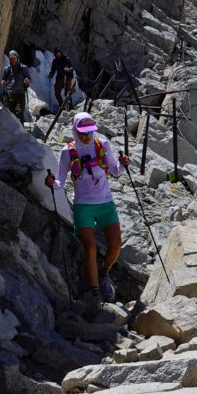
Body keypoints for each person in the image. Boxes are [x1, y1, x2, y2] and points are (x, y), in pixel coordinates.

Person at [46, 111, 124, 300]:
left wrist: (123, 165)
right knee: (90, 247)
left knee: (116, 245)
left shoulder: (103, 145)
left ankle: (104, 272)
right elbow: (60, 182)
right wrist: (51, 183)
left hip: (105, 202)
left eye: (90, 131)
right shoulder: (68, 152)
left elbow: (115, 172)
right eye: (83, 132)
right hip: (83, 205)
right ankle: (95, 292)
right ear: (75, 131)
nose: (87, 136)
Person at [0, 51, 32, 118]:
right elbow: (4, 79)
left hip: (20, 94)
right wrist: (3, 82)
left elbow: (29, 78)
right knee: (10, 115)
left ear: (17, 58)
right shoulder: (7, 69)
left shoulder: (23, 68)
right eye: (11, 58)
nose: (13, 60)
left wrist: (27, 80)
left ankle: (20, 127)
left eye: (14, 58)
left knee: (19, 113)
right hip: (10, 95)